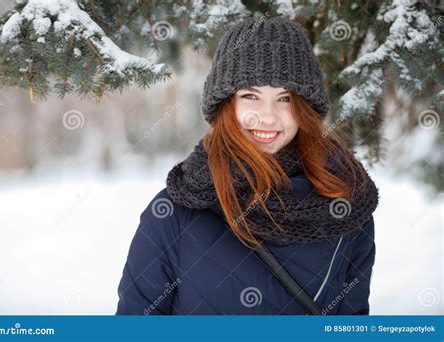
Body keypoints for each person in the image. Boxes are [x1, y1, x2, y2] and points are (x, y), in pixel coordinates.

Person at [115, 16, 379, 315]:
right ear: (227, 105)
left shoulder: (346, 205)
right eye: (250, 96)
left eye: (285, 98)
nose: (266, 117)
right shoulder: (173, 213)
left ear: (305, 108)